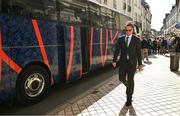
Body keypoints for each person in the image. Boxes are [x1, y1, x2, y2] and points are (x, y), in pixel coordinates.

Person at [112, 22, 143, 107]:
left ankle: (129, 99)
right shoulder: (121, 39)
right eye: (126, 30)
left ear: (132, 30)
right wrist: (114, 60)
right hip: (123, 63)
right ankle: (129, 87)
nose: (128, 32)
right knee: (121, 78)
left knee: (130, 79)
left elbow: (138, 53)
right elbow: (117, 50)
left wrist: (140, 64)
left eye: (129, 30)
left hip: (132, 63)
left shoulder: (136, 40)